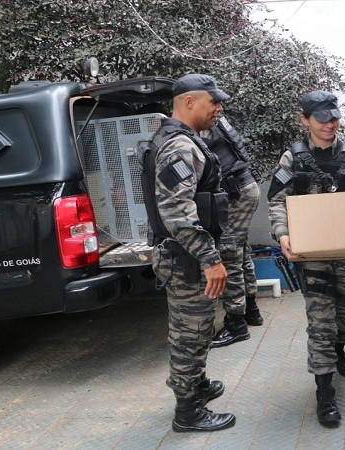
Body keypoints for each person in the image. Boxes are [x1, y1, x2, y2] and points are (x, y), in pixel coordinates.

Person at [267, 91, 345, 426]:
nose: (330, 124)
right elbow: (278, 200)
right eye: (322, 119)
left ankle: (340, 348)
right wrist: (282, 232)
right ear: (304, 119)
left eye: (334, 117)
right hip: (312, 254)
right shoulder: (293, 159)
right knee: (321, 321)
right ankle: (324, 389)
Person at [140, 74, 236, 432]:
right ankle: (188, 410)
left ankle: (196, 385)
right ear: (190, 102)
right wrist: (210, 260)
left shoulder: (180, 140)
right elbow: (177, 213)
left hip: (185, 255)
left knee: (195, 327)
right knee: (190, 332)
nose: (219, 108)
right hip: (188, 258)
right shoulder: (179, 146)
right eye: (214, 101)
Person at [203, 116, 264, 348]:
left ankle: (236, 324)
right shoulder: (219, 120)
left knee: (229, 254)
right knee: (241, 249)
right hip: (243, 188)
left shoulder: (204, 127)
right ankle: (251, 311)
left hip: (236, 193)